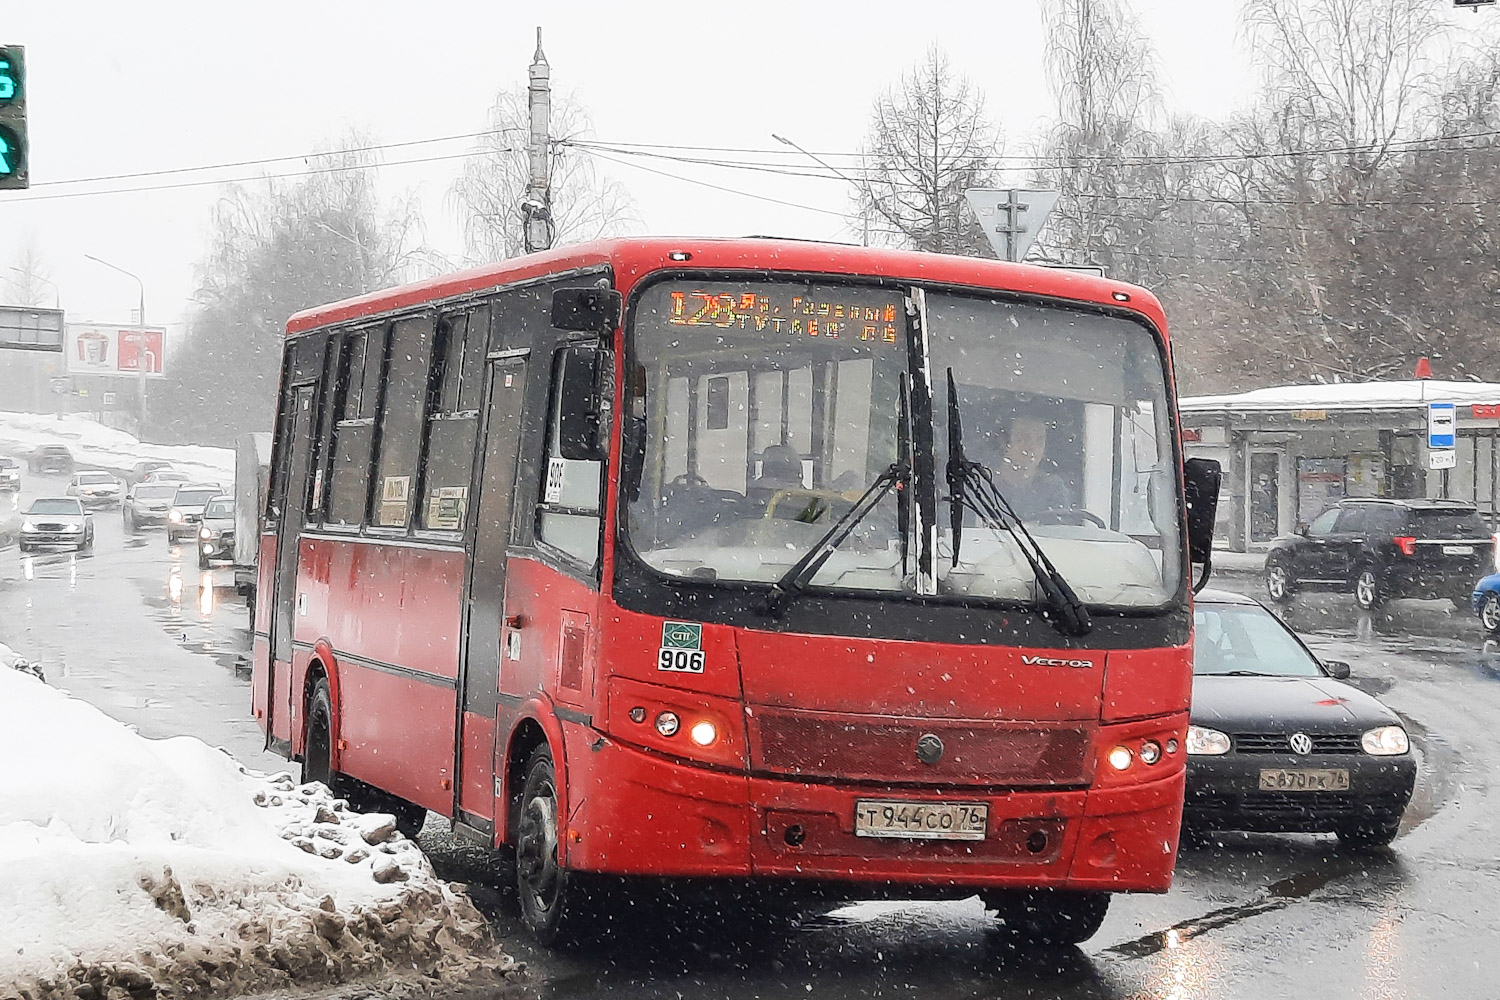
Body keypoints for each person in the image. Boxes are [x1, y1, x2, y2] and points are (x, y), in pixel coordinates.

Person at [992, 414, 1070, 517]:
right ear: (1004, 443)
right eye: (1023, 438)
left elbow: (1060, 530)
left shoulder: (1053, 488)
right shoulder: (981, 485)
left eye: (1039, 440)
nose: (1032, 447)